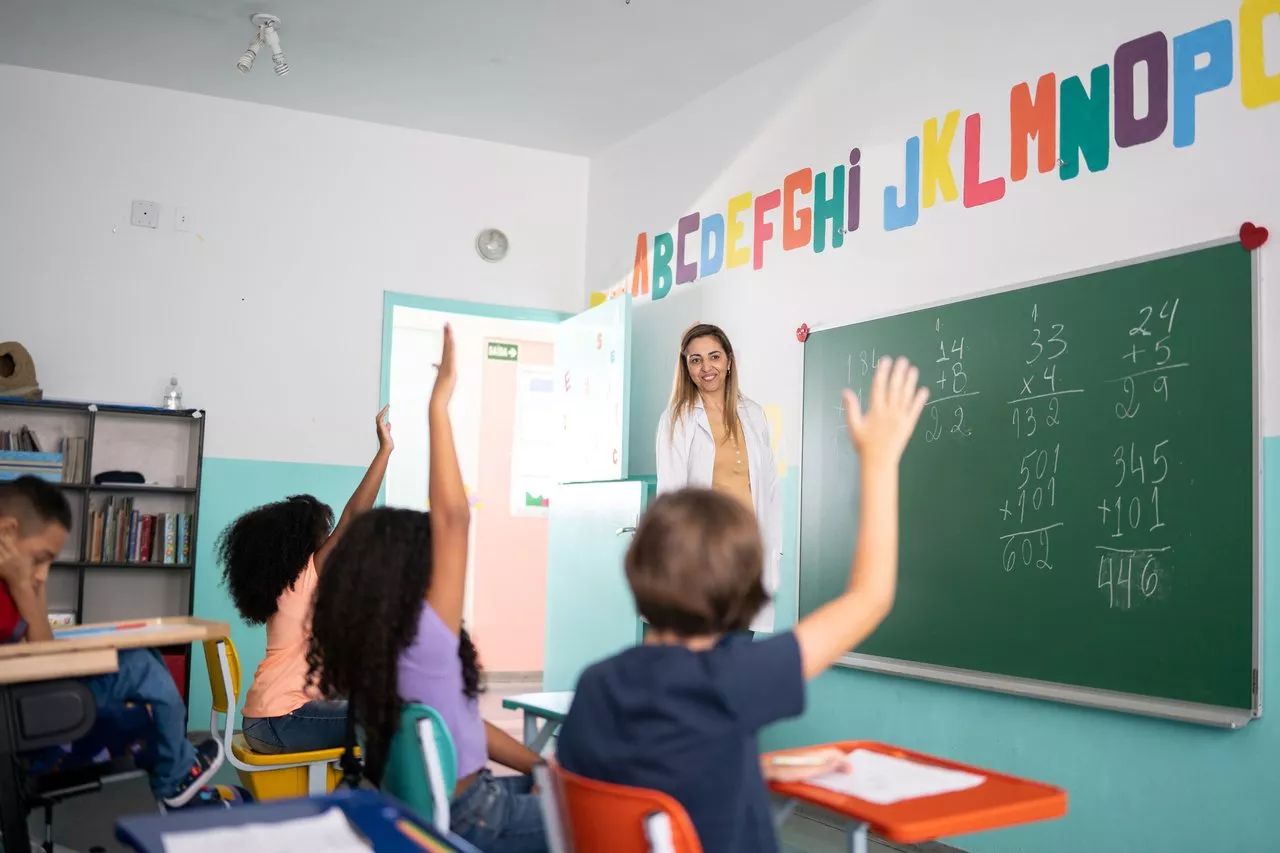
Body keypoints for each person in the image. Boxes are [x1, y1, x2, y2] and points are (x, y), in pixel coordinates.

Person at [558, 356, 928, 853]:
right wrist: (879, 462)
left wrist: (757, 765)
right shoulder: (732, 678)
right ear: (747, 584)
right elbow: (870, 597)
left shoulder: (596, 685)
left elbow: (654, 774)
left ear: (638, 567)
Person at [308, 325, 547, 853]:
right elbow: (454, 518)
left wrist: (540, 764)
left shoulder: (370, 645)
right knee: (625, 819)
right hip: (478, 816)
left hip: (435, 813)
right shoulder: (426, 641)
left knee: (555, 786)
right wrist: (439, 407)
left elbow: (462, 727)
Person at [0, 476, 225, 809]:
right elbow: (42, 661)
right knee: (137, 666)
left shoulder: (13, 582)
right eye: (40, 558)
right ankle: (176, 775)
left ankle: (180, 761)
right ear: (6, 532)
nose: (43, 573)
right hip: (23, 712)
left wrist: (31, 585)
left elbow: (40, 643)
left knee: (145, 653)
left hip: (29, 699)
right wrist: (22, 587)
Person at [217, 406, 393, 754]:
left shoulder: (283, 587)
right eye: (322, 534)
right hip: (283, 722)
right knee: (391, 719)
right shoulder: (304, 576)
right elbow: (356, 516)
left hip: (267, 719)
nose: (328, 540)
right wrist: (385, 450)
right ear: (299, 544)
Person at [655, 323, 781, 633]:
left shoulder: (753, 413)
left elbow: (769, 489)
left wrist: (772, 550)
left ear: (728, 361)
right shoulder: (677, 418)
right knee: (704, 647)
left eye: (714, 357)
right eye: (695, 360)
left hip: (747, 552)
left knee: (737, 650)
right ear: (686, 367)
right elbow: (671, 493)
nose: (706, 367)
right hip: (704, 552)